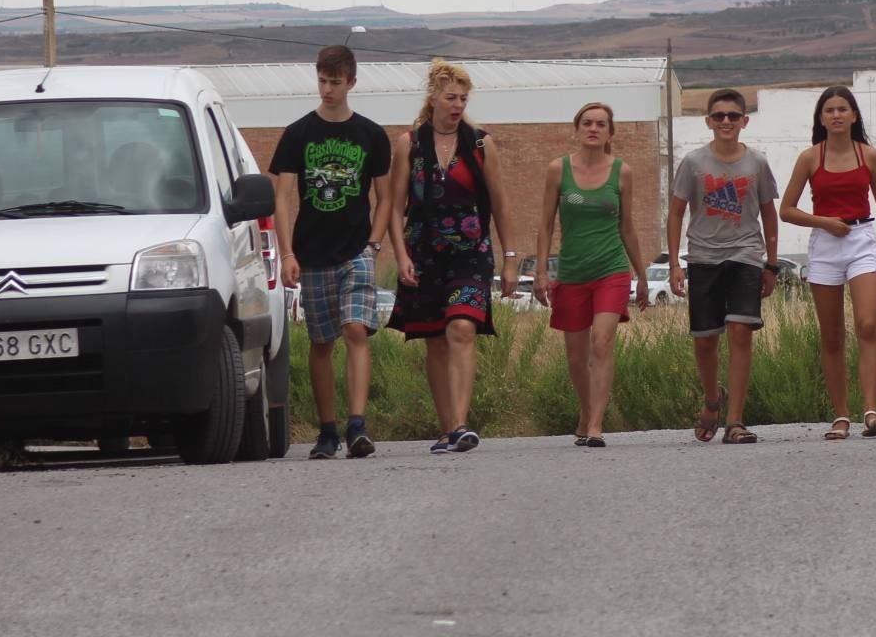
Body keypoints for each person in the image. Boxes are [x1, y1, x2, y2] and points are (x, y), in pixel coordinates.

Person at [267, 44, 393, 459]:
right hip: (312, 252)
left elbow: (385, 196)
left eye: (335, 82)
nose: (327, 89)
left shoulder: (371, 135)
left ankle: (357, 425)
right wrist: (287, 254)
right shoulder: (297, 134)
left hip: (356, 249)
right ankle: (327, 430)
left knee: (356, 329)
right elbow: (282, 198)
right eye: (322, 81)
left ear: (352, 82)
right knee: (322, 341)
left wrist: (374, 243)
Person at [388, 59, 516, 454]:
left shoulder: (480, 144)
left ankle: (461, 424)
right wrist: (400, 255)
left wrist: (510, 257)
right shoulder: (409, 144)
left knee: (461, 328)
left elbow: (500, 203)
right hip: (423, 253)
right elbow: (393, 207)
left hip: (471, 253)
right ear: (433, 98)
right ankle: (447, 428)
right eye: (450, 97)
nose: (458, 104)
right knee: (435, 341)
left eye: (463, 98)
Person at [779, 85, 876, 440]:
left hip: (862, 241)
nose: (836, 115)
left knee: (867, 324)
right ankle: (840, 416)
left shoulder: (870, 155)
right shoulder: (810, 158)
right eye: (829, 110)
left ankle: (871, 411)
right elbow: (785, 210)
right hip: (825, 244)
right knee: (832, 335)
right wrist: (823, 222)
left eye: (842, 109)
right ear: (821, 118)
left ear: (853, 115)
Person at [667, 89, 780, 444]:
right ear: (709, 122)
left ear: (744, 121)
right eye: (719, 116)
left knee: (740, 331)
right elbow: (675, 213)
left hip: (745, 254)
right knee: (705, 340)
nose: (726, 122)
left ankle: (735, 422)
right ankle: (713, 400)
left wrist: (772, 264)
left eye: (733, 116)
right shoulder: (693, 163)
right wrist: (674, 263)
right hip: (703, 257)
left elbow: (769, 213)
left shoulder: (757, 163)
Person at [534, 102, 649, 448]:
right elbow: (545, 224)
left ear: (610, 133)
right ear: (577, 129)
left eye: (601, 124)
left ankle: (596, 424)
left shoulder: (622, 172)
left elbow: (627, 227)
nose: (594, 128)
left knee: (602, 342)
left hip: (611, 269)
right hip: (571, 271)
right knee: (575, 355)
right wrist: (541, 271)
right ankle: (585, 411)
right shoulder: (558, 170)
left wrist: (641, 275)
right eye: (587, 123)